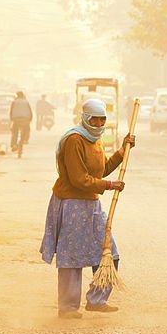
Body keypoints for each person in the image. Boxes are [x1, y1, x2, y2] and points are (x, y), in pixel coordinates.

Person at [40, 99, 136, 319]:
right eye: (95, 118)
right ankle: (67, 307)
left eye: (103, 119)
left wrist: (122, 151)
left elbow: (100, 171)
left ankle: (97, 299)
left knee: (108, 252)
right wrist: (109, 186)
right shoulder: (74, 140)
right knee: (72, 257)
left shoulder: (96, 140)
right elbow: (78, 179)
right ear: (85, 118)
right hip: (71, 203)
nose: (99, 123)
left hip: (91, 204)